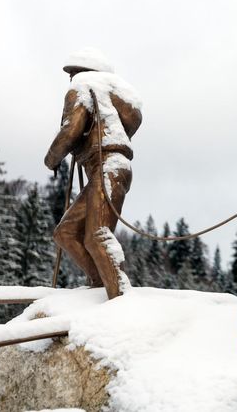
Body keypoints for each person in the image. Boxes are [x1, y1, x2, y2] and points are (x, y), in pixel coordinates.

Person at [44, 47, 142, 299]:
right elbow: (135, 117)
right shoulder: (116, 91)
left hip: (108, 165)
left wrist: (52, 158)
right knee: (65, 232)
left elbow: (71, 128)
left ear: (80, 72)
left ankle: (121, 298)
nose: (70, 78)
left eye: (71, 73)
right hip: (112, 166)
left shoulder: (81, 86)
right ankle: (100, 284)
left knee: (97, 233)